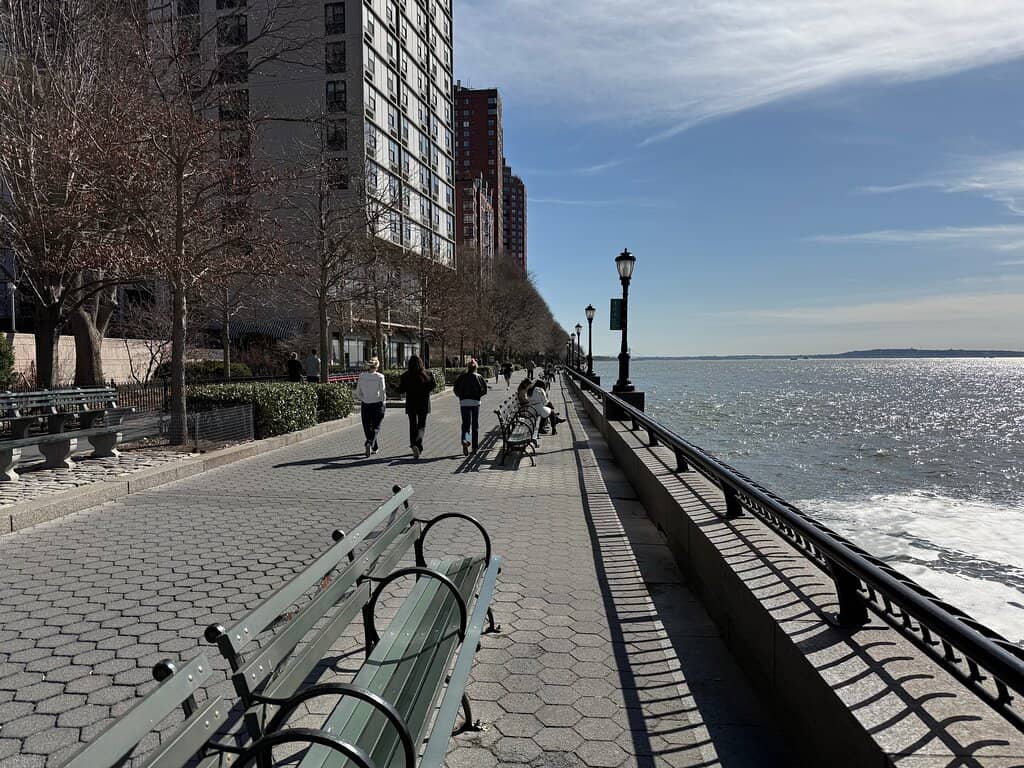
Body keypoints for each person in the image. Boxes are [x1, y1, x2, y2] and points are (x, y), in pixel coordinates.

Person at [397, 355, 436, 459]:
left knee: (412, 425)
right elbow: (433, 385)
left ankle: (413, 444)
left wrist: (394, 387)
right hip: (423, 403)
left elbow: (401, 390)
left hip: (411, 403)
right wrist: (425, 391)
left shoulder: (405, 375)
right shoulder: (427, 374)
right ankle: (418, 444)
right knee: (421, 425)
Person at [453, 359, 488, 455]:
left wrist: (460, 396)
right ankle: (475, 447)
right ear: (476, 367)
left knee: (466, 424)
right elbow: (484, 390)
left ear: (468, 367)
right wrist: (478, 396)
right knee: (475, 425)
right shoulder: (479, 377)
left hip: (464, 402)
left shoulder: (462, 377)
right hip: (475, 403)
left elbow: (455, 388)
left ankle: (466, 440)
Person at [355, 357, 386, 457]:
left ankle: (374, 446)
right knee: (376, 426)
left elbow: (358, 392)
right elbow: (382, 392)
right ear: (377, 367)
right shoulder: (380, 377)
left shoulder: (362, 376)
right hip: (377, 404)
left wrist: (363, 398)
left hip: (365, 404)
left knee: (367, 426)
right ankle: (369, 442)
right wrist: (383, 402)